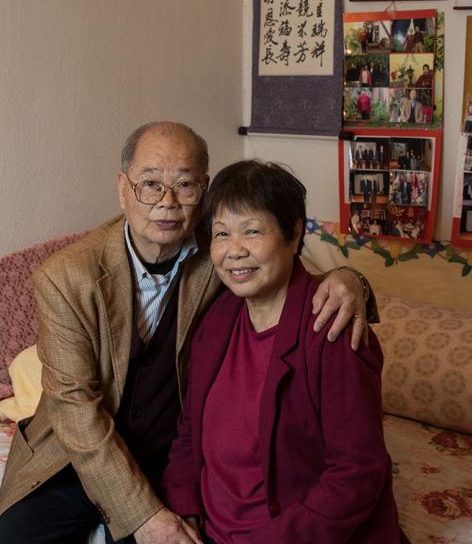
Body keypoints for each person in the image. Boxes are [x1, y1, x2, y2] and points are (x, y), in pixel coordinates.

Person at [0, 122, 373, 544]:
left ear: (204, 190)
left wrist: (350, 279)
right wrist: (146, 516)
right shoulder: (66, 277)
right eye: (150, 184)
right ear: (123, 188)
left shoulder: (220, 255)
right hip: (73, 455)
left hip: (164, 452)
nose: (167, 203)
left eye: (185, 185)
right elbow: (75, 412)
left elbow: (286, 274)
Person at [161, 161, 402, 543]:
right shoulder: (217, 318)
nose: (234, 251)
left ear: (292, 235)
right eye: (222, 233)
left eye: (253, 231)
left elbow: (357, 474)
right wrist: (184, 512)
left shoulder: (330, 327)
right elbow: (190, 433)